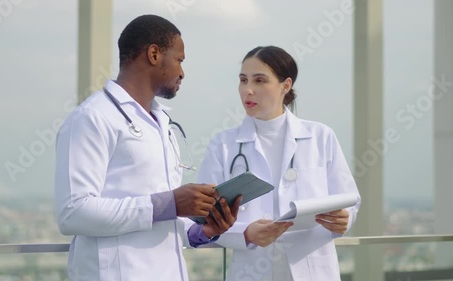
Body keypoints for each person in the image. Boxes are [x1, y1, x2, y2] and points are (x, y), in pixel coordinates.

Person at [54, 15, 240, 281]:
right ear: (154, 54)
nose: (182, 73)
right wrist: (170, 203)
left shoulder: (161, 121)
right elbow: (72, 213)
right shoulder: (92, 118)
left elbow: (160, 220)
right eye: (179, 60)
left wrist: (205, 230)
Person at [197, 46, 361, 281]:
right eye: (243, 80)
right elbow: (202, 219)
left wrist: (345, 219)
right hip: (250, 271)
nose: (248, 90)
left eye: (260, 80)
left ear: (286, 85)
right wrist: (245, 234)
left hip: (312, 270)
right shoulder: (222, 145)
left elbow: (349, 200)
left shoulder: (320, 137)